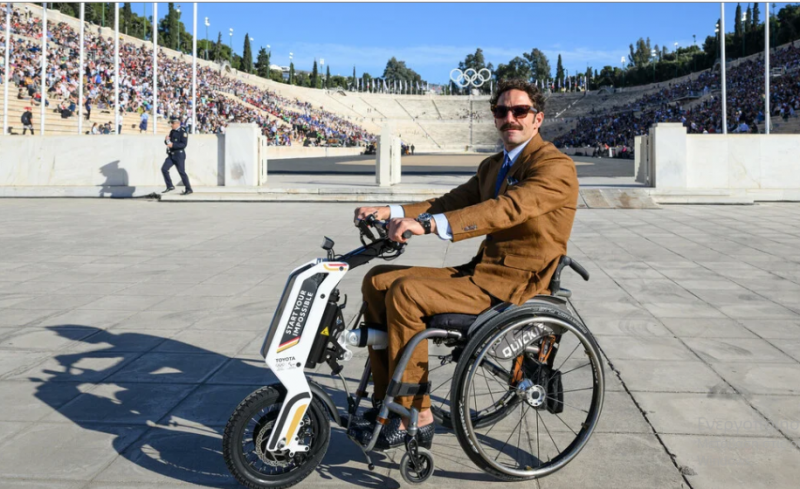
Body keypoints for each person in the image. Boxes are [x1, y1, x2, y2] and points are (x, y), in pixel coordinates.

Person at [350, 79, 579, 449]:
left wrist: (427, 226)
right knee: (377, 280)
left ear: (537, 118)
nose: (510, 118)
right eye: (501, 111)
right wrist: (389, 210)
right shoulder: (494, 166)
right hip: (484, 271)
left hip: (516, 282)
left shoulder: (555, 166)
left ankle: (415, 415)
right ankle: (386, 403)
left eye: (520, 111)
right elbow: (449, 202)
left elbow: (506, 209)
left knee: (407, 293)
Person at [161, 117, 193, 195]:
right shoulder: (172, 131)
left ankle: (188, 189)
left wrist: (173, 145)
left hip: (179, 155)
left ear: (177, 124)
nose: (171, 125)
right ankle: (170, 186)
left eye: (172, 123)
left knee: (181, 172)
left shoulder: (183, 132)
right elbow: (169, 142)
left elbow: (183, 144)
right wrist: (166, 140)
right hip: (171, 154)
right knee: (164, 169)